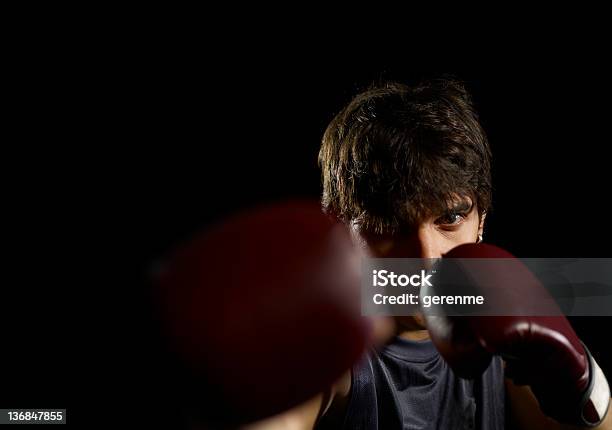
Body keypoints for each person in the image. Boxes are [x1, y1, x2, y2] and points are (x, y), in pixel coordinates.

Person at [240, 80, 611, 429]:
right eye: (389, 226)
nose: (425, 256)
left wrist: (580, 378)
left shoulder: (497, 320)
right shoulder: (332, 356)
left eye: (449, 218)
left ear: (481, 220)